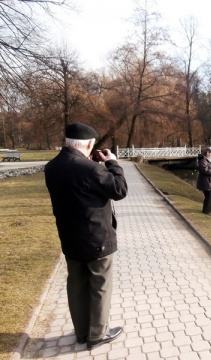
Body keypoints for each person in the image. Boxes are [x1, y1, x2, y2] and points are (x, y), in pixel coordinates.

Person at [44, 122, 128, 350]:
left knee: (77, 285)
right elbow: (119, 189)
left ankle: (81, 333)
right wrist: (112, 163)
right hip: (97, 238)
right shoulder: (91, 169)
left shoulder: (52, 167)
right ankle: (98, 334)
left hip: (70, 237)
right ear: (90, 144)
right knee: (99, 285)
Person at [196, 147, 211, 215]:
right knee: (208, 195)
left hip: (209, 180)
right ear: (208, 153)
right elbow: (205, 170)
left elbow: (210, 169)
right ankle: (206, 211)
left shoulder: (208, 160)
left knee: (209, 196)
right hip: (205, 181)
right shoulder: (202, 160)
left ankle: (208, 210)